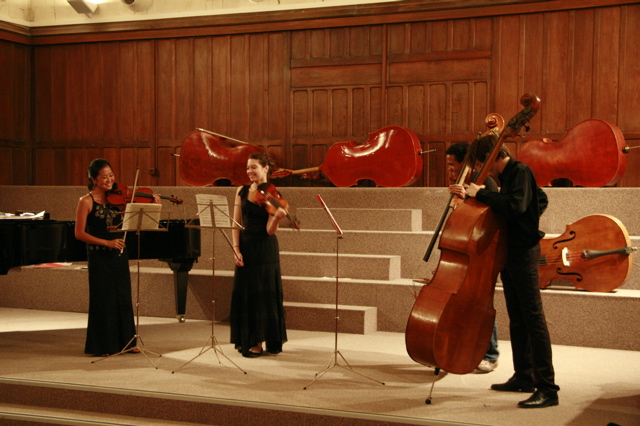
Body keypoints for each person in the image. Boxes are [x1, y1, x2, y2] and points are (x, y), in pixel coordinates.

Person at [459, 134, 560, 408]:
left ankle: (548, 389)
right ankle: (524, 376)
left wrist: (482, 193)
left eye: (481, 163)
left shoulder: (520, 171)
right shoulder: (509, 177)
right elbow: (539, 199)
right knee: (517, 317)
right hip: (511, 253)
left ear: (488, 158)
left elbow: (515, 206)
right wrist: (526, 219)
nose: (482, 168)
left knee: (534, 320)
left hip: (524, 255)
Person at [74, 158, 159, 357]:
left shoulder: (118, 201)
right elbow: (79, 233)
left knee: (122, 297)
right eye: (104, 177)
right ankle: (104, 345)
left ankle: (127, 342)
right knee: (103, 299)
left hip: (119, 254)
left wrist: (153, 207)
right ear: (94, 179)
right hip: (99, 256)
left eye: (111, 175)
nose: (109, 180)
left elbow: (136, 224)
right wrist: (107, 243)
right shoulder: (85, 201)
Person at [445, 141, 500, 374]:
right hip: (464, 246)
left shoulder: (484, 180)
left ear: (463, 163)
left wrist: (467, 196)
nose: (448, 169)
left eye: (451, 165)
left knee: (481, 301)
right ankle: (462, 347)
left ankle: (490, 354)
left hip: (482, 248)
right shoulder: (460, 181)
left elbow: (490, 213)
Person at [230, 152, 288, 358]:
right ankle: (250, 338)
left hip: (264, 249)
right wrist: (236, 249)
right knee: (247, 294)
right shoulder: (241, 191)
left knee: (263, 294)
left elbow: (269, 230)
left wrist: (278, 218)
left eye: (253, 167)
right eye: (248, 167)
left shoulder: (273, 193)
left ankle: (260, 341)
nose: (249, 171)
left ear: (265, 168)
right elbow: (236, 223)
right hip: (245, 246)